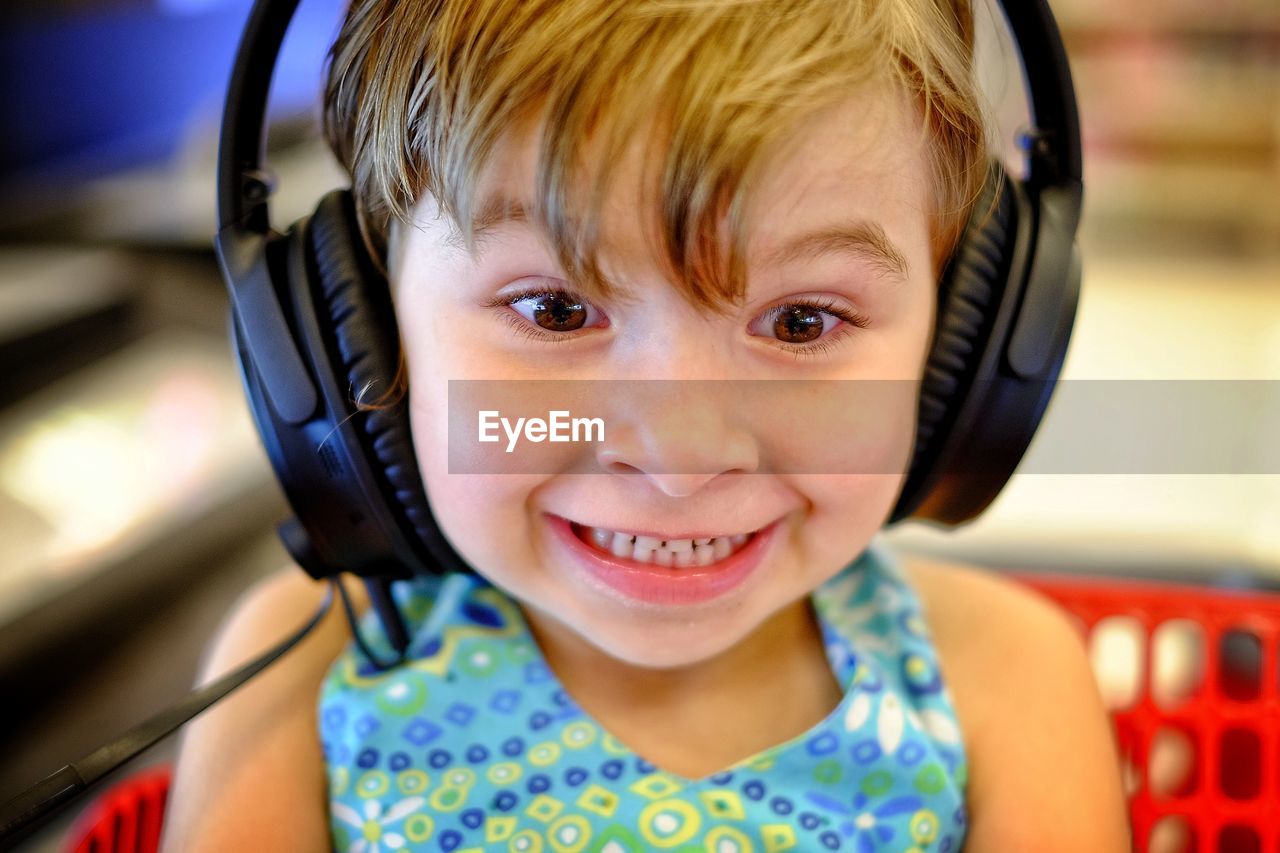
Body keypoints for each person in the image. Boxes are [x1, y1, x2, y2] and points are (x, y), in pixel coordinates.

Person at [162, 0, 1129, 849]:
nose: (679, 459)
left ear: (966, 335)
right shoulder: (310, 665)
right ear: (367, 324)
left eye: (802, 322)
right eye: (555, 311)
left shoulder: (1000, 678)